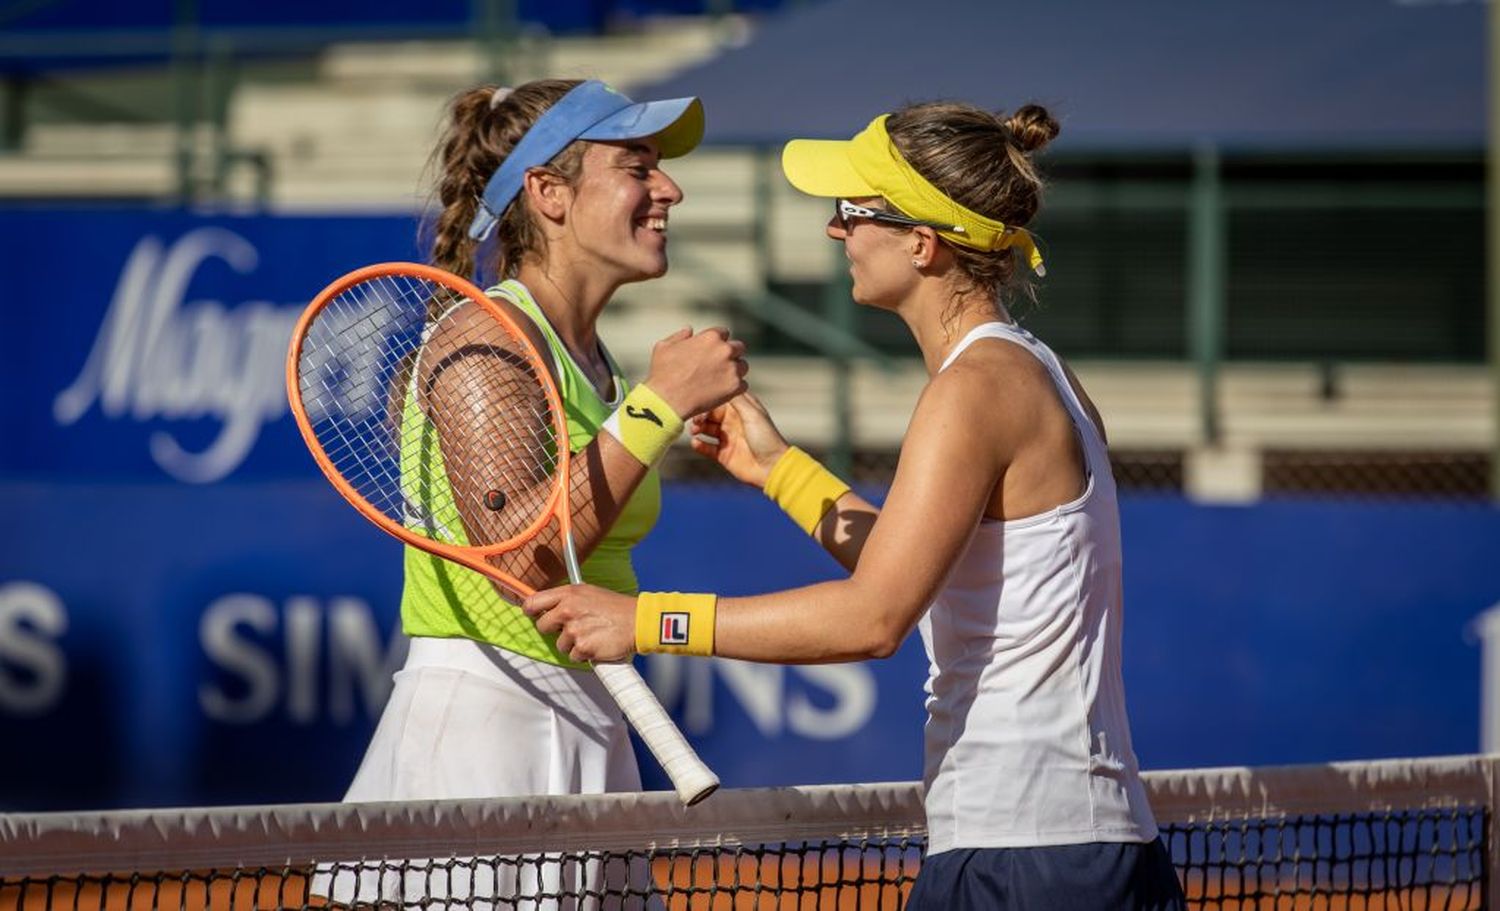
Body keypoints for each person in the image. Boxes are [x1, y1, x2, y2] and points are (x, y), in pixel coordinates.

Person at [524, 100, 1187, 910]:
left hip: (1028, 856)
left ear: (922, 242)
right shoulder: (1031, 370)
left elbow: (873, 618)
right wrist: (779, 469)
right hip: (1064, 845)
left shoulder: (974, 390)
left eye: (854, 213)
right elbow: (922, 566)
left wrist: (644, 620)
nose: (837, 232)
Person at [323, 78, 748, 906]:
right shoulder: (486, 336)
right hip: (483, 732)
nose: (669, 189)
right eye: (638, 166)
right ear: (549, 194)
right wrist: (656, 407)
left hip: (587, 716)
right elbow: (520, 549)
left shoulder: (593, 360)